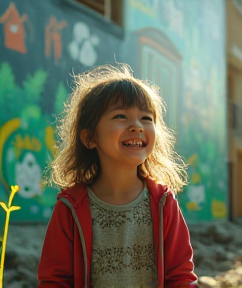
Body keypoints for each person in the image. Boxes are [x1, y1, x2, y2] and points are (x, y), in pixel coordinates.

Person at [37, 63, 198, 288]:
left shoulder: (164, 203)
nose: (137, 126)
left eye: (146, 118)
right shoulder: (70, 207)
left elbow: (181, 277)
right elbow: (54, 281)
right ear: (89, 138)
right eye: (121, 116)